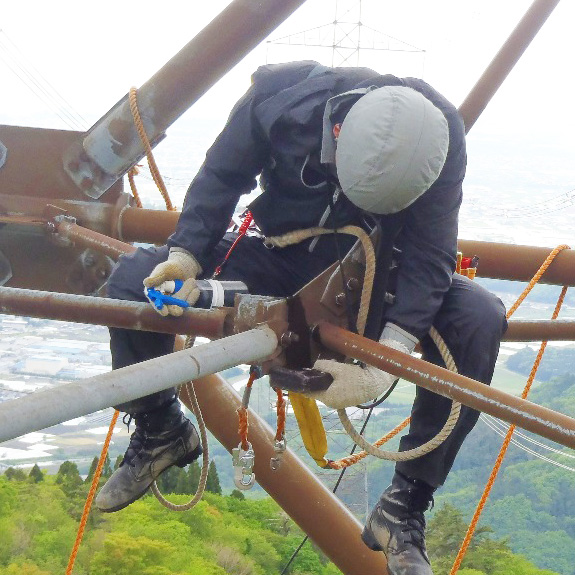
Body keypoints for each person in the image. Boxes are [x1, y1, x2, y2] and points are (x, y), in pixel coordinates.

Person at [96, 61, 507, 575]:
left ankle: (405, 506)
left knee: (478, 317)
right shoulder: (278, 101)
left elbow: (430, 254)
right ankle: (161, 426)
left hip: (379, 266)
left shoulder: (437, 136)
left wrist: (387, 357)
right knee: (136, 280)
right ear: (336, 134)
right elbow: (222, 176)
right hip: (283, 252)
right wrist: (186, 256)